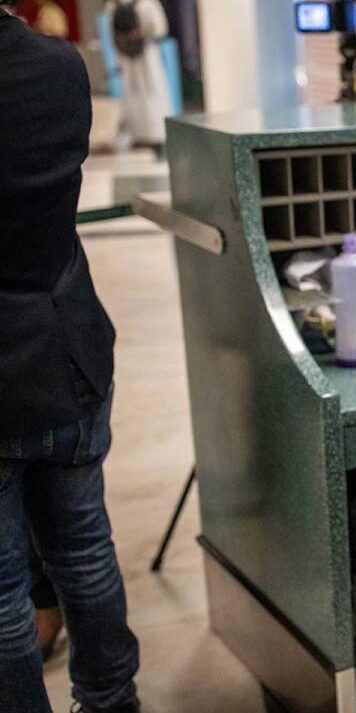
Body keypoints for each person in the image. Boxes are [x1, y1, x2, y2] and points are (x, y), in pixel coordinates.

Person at [0, 4, 141, 712]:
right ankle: (114, 700)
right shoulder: (60, 68)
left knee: (0, 598)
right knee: (85, 549)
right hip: (69, 346)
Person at [106, 0, 172, 154]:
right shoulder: (117, 5)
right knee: (139, 95)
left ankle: (152, 136)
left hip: (143, 57)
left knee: (148, 95)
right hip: (133, 58)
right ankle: (143, 135)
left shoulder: (141, 3)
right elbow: (160, 28)